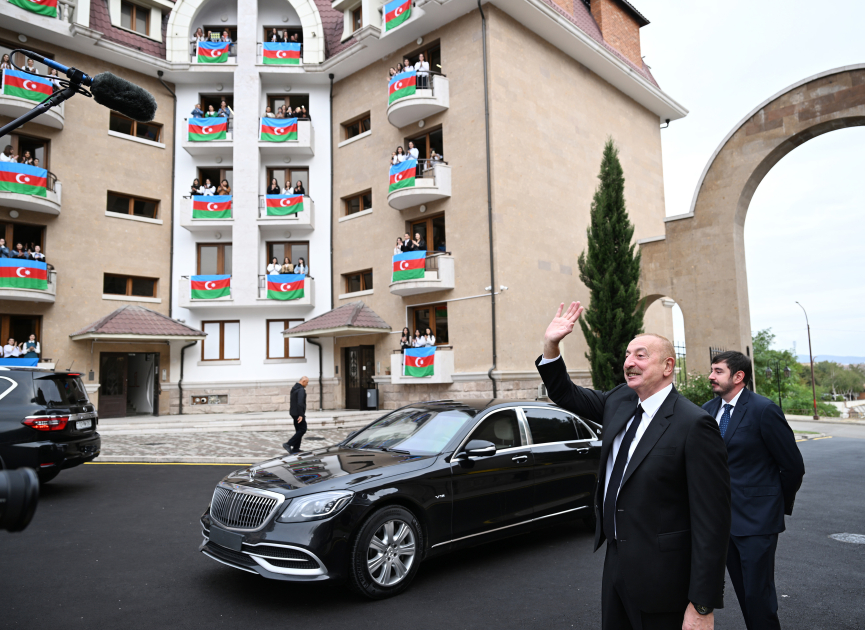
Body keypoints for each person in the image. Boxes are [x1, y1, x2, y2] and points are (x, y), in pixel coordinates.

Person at [537, 301, 730, 630]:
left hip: (664, 580)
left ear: (668, 366)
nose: (629, 362)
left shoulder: (694, 424)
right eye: (628, 355)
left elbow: (712, 521)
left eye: (641, 355)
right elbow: (565, 393)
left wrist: (702, 604)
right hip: (616, 565)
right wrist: (551, 345)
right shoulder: (619, 401)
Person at [704, 351, 805, 630]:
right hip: (721, 522)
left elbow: (793, 466)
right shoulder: (707, 410)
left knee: (758, 594)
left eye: (718, 371)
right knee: (742, 593)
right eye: (711, 370)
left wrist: (771, 504)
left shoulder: (763, 409)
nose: (711, 376)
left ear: (739, 377)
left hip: (757, 521)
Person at [283, 376, 309, 454]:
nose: (307, 384)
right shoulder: (301, 390)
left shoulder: (294, 388)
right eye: (307, 382)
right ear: (303, 381)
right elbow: (300, 403)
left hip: (294, 413)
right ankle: (288, 444)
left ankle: (296, 448)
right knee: (303, 429)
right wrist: (301, 415)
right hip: (298, 414)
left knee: (299, 430)